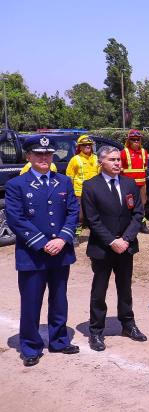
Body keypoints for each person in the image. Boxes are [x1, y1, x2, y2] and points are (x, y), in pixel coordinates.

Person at [6, 136, 80, 366]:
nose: (44, 158)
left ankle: (59, 340)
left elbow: (72, 212)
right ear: (28, 157)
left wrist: (62, 239)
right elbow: (16, 219)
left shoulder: (64, 182)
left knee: (59, 299)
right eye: (39, 154)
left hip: (60, 252)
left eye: (48, 155)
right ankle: (30, 346)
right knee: (31, 301)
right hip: (32, 254)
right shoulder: (16, 185)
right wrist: (41, 242)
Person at [81, 146, 147, 351]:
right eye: (112, 160)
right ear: (101, 162)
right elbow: (92, 220)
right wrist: (112, 241)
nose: (118, 163)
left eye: (119, 159)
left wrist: (126, 239)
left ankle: (128, 324)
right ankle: (96, 332)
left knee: (125, 288)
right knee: (99, 291)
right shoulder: (91, 186)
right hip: (103, 248)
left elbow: (138, 214)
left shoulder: (129, 183)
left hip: (126, 247)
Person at [120, 129, 149, 234]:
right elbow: (119, 169)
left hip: (142, 184)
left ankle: (142, 225)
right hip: (128, 185)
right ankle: (128, 226)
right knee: (128, 205)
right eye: (133, 139)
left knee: (142, 204)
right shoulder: (124, 152)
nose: (136, 142)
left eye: (138, 139)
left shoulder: (144, 152)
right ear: (129, 140)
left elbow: (145, 168)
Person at [65, 134, 99, 235]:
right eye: (84, 145)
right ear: (79, 147)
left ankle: (97, 233)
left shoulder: (96, 158)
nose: (88, 146)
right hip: (79, 191)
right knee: (79, 215)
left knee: (94, 214)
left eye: (89, 144)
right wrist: (71, 193)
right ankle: (75, 234)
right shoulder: (75, 159)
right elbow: (69, 177)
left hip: (94, 191)